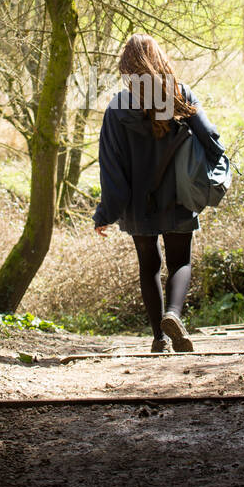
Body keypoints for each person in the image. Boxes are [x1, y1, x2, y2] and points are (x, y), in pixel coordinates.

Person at [93, 34, 224, 353]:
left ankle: (159, 339)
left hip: (138, 206)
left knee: (148, 265)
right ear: (159, 61)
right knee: (181, 261)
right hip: (179, 197)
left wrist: (105, 213)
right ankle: (173, 315)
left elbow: (112, 169)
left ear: (127, 68)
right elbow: (212, 141)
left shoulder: (117, 107)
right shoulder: (179, 96)